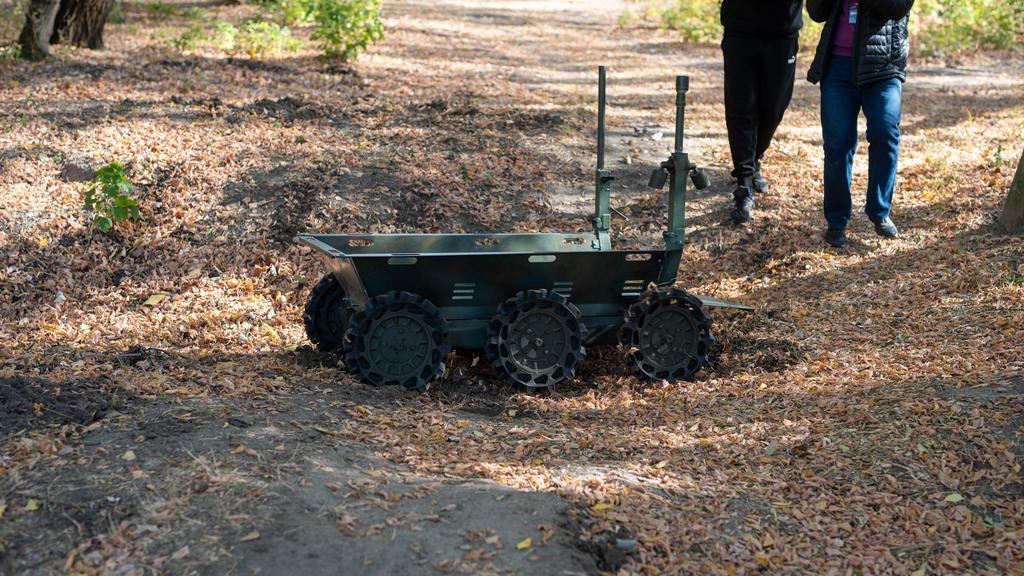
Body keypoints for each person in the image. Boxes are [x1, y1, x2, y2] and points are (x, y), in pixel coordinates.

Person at [807, 0, 915, 248]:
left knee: (885, 133)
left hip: (883, 67)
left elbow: (898, 7)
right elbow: (815, 12)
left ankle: (879, 211)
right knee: (837, 144)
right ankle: (836, 221)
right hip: (836, 66)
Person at [720, 0, 805, 225]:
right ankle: (744, 182)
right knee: (741, 108)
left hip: (783, 33)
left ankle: (752, 159)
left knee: (774, 108)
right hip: (740, 30)